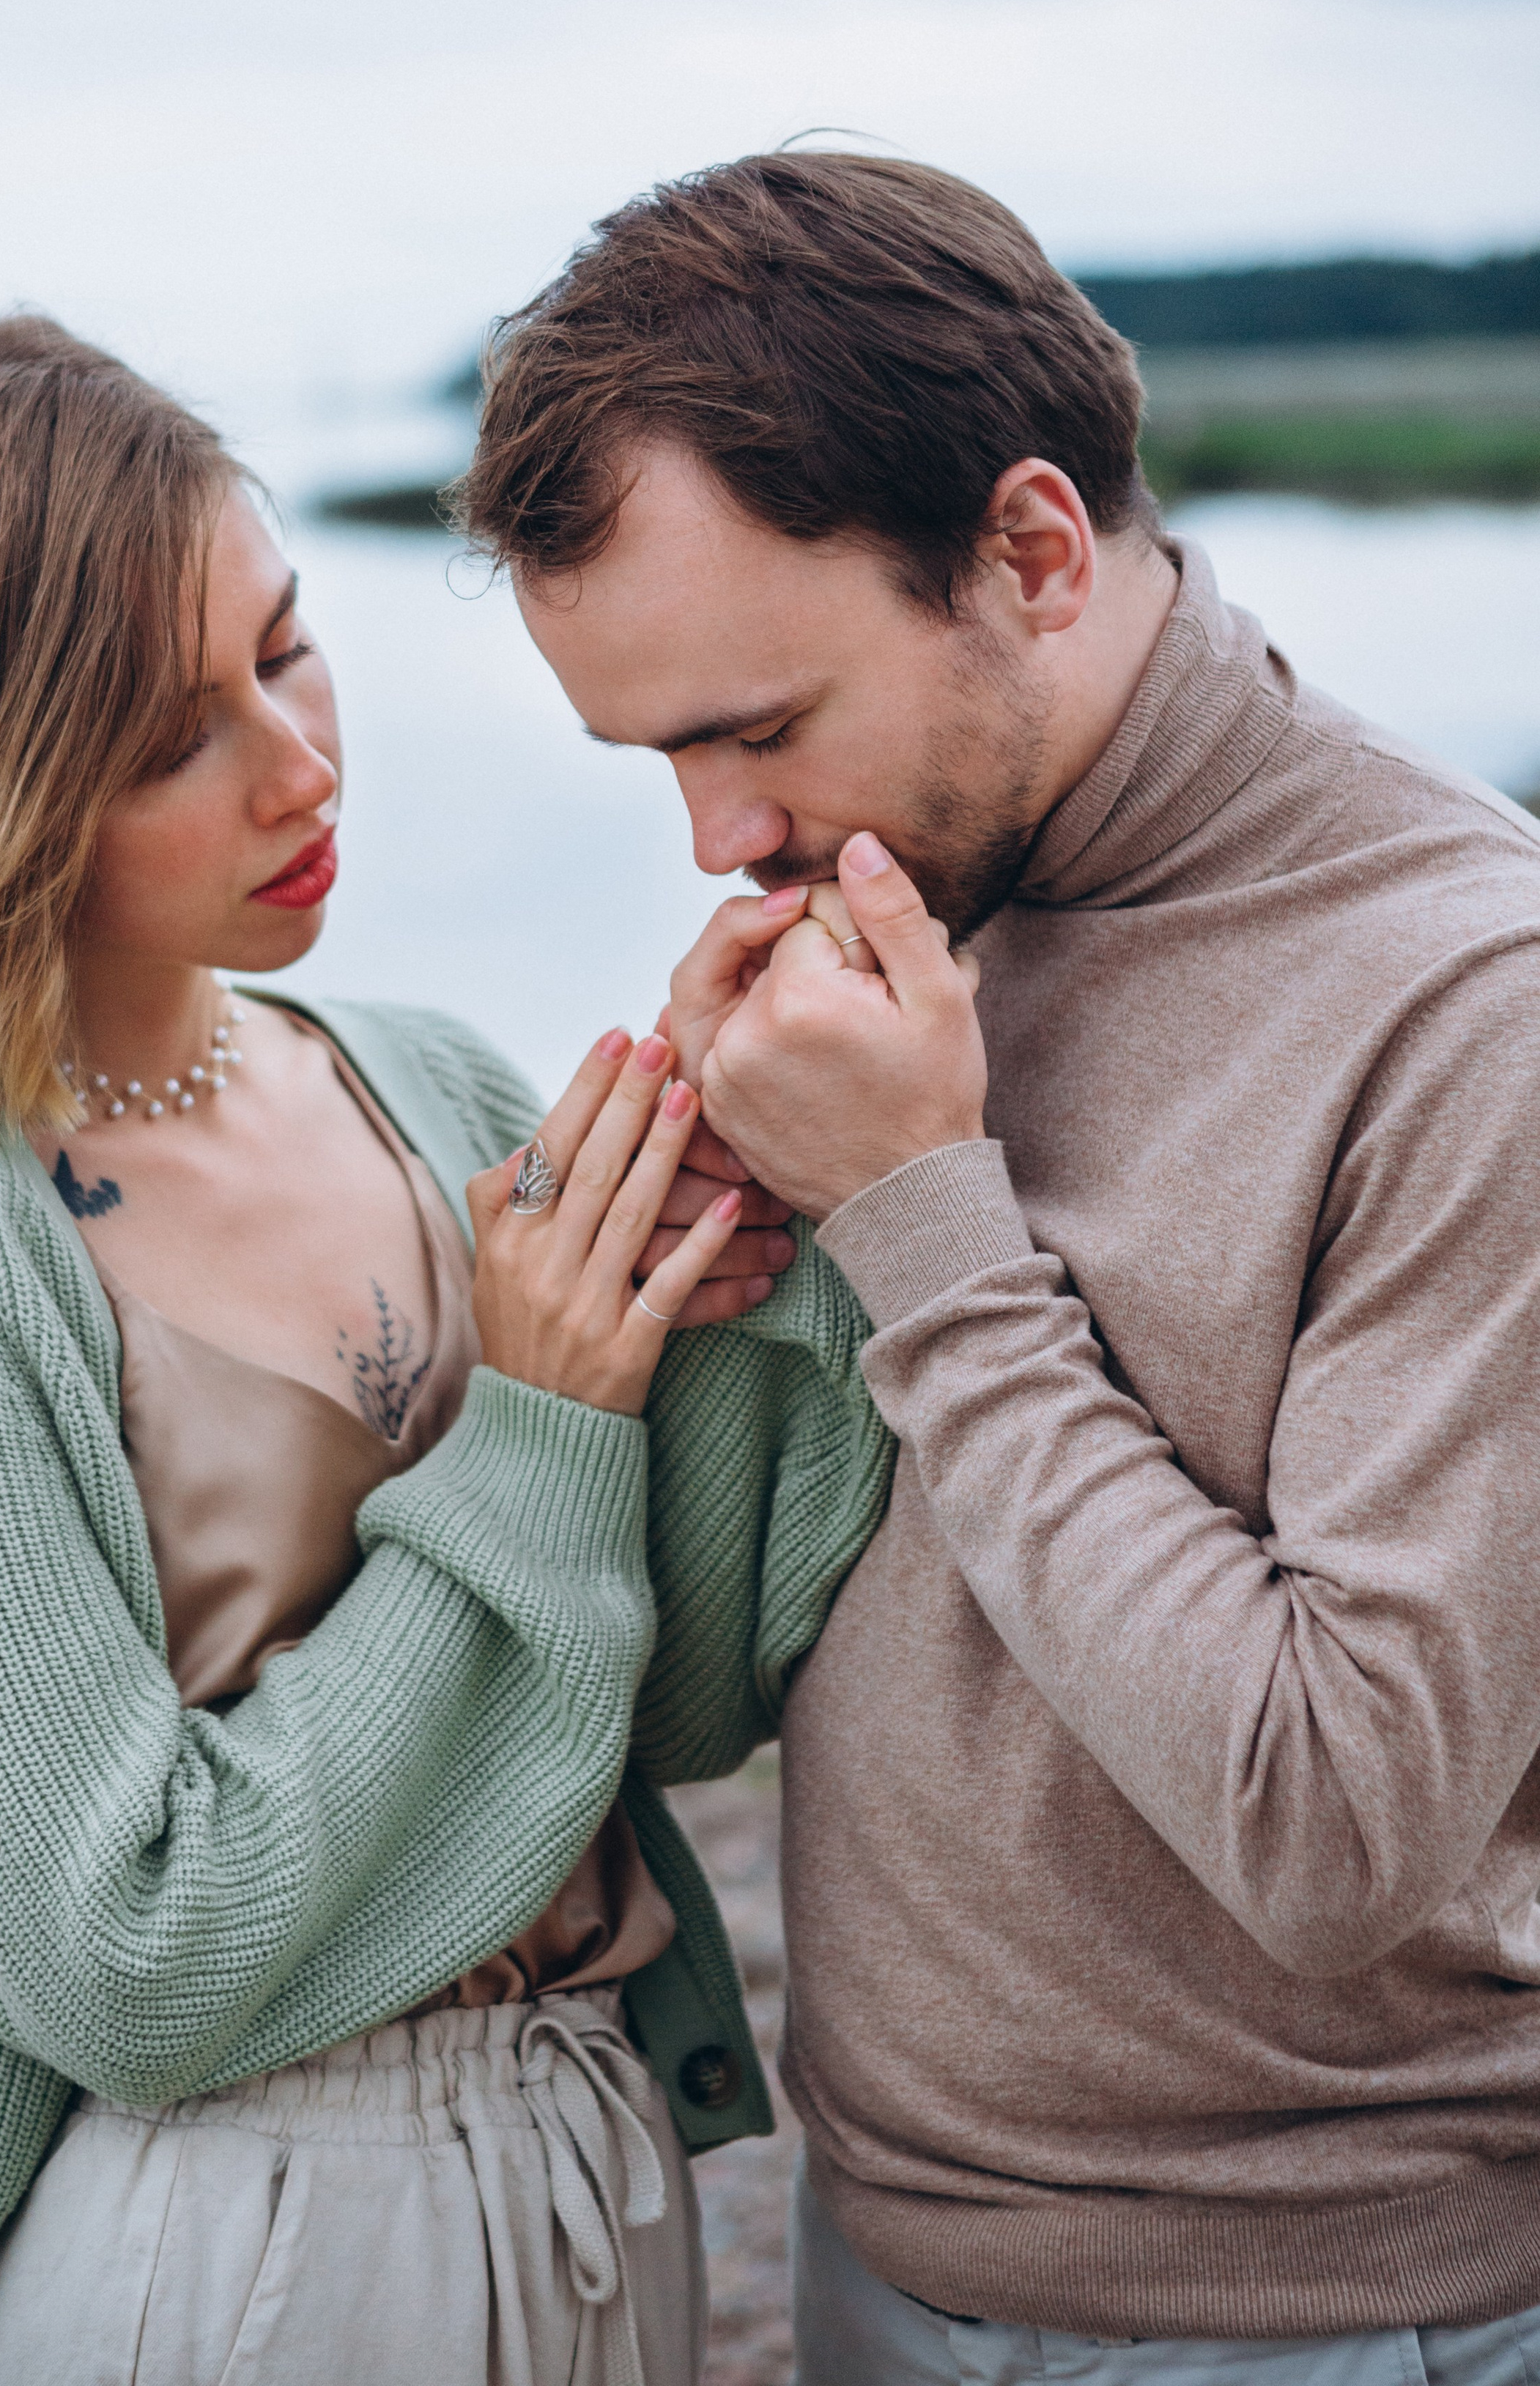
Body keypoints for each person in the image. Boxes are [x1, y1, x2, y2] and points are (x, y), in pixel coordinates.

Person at [459, 152, 1540, 2385]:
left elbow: (1339, 1826)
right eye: (657, 753)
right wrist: (644, 1345)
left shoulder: (1473, 1007)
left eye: (756, 726)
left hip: (1321, 2321)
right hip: (876, 2255)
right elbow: (704, 1712)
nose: (716, 838)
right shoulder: (908, 912)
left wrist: (928, 1231)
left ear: (1031, 552)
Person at [0, 314, 897, 2383]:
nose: (301, 766)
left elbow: (667, 1707)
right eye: (168, 741)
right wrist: (539, 1419)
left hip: (585, 2156)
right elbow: (130, 1958)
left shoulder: (426, 1081)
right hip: (231, 2233)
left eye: (283, 650)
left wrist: (753, 1225)